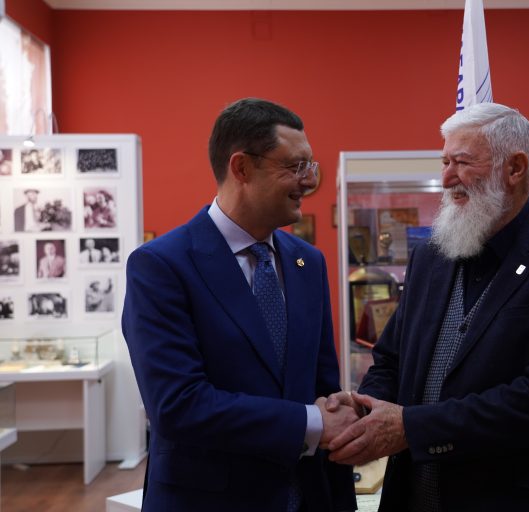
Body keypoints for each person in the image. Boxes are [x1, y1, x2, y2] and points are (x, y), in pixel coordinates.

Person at [326, 103, 529, 511]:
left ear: (515, 168)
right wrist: (365, 411)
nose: (446, 179)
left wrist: (410, 428)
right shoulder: (431, 257)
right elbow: (391, 360)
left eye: (461, 162)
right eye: (445, 162)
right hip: (418, 495)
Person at [122, 98, 357, 512]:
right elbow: (178, 405)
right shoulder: (161, 266)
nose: (308, 180)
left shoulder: (307, 262)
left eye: (310, 166)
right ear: (242, 168)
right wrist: (314, 422)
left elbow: (322, 385)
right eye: (295, 166)